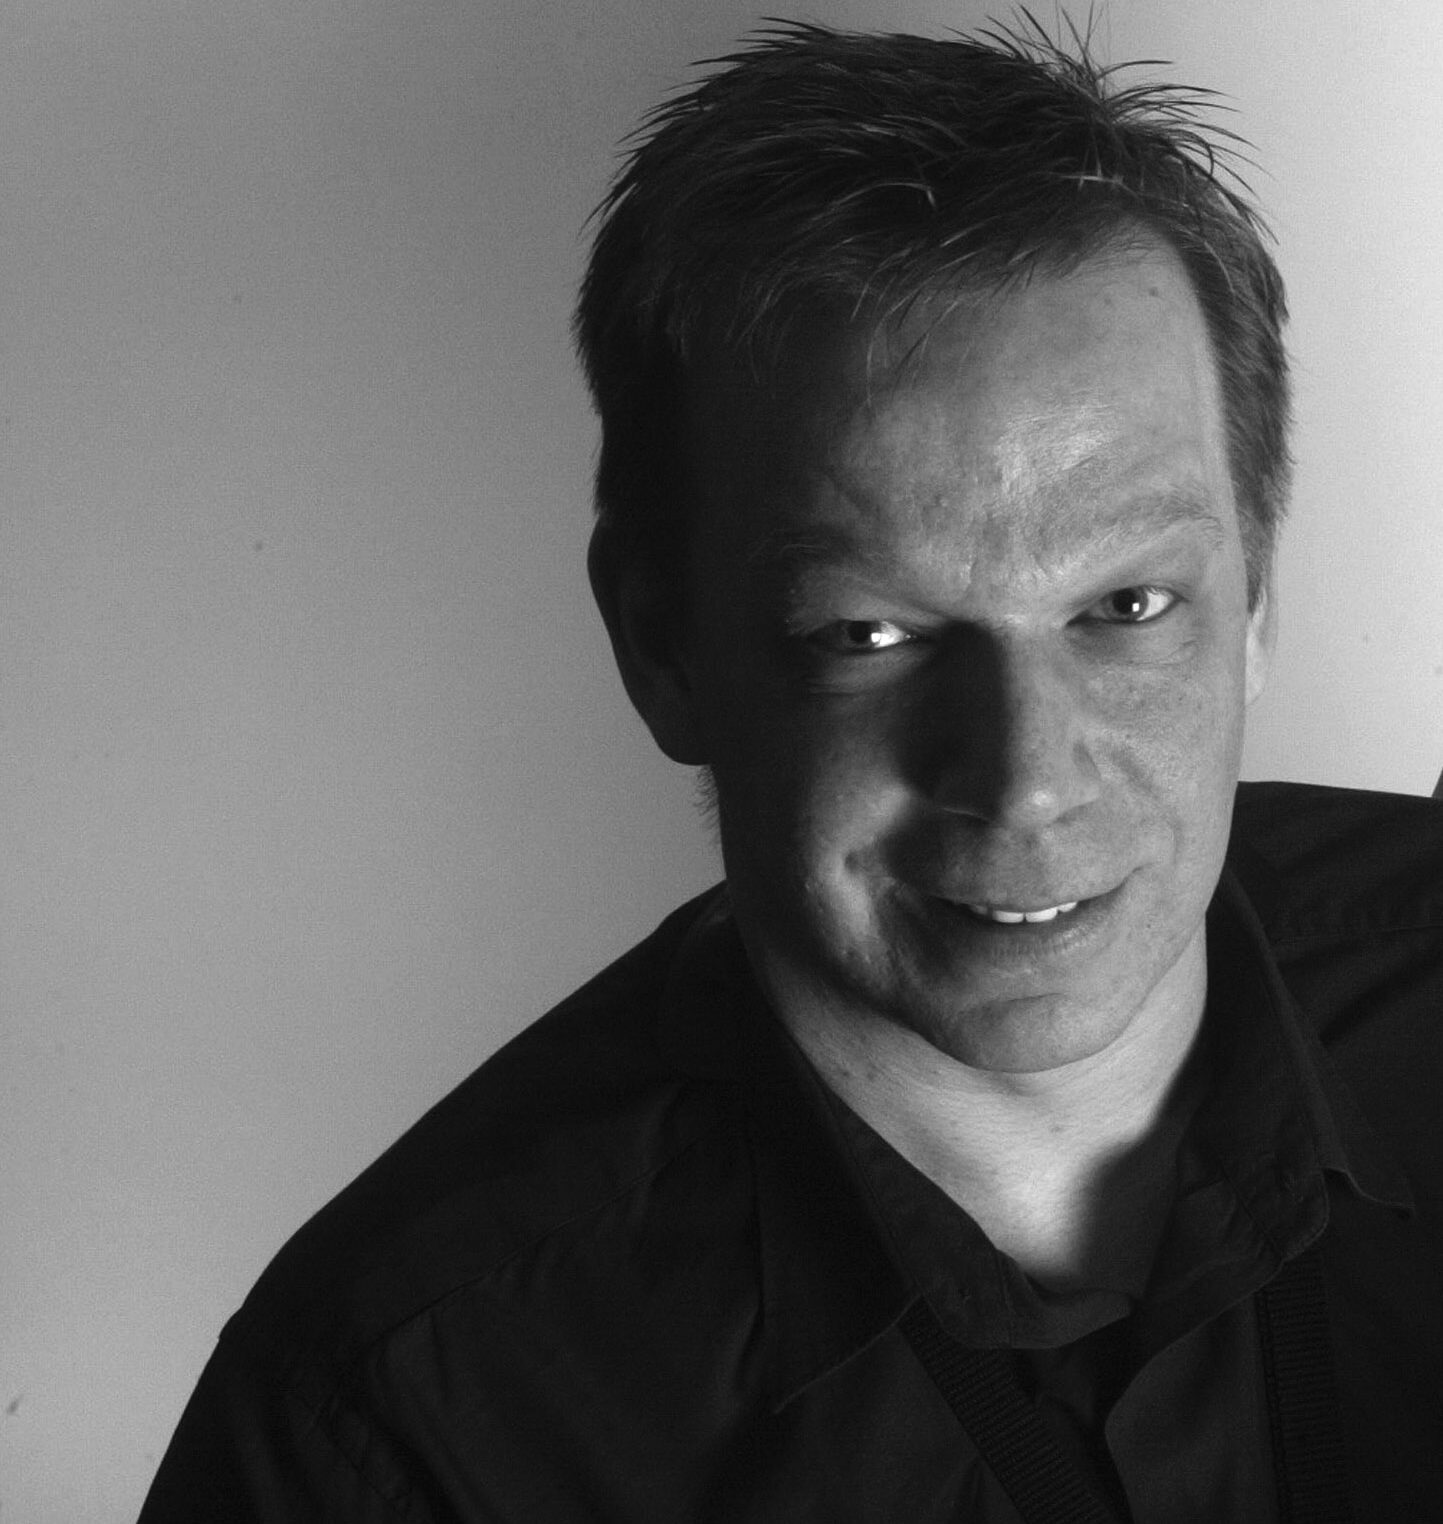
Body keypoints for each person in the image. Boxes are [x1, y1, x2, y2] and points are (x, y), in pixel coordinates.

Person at [139, 20, 1443, 1522]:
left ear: (1259, 598)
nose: (1026, 783)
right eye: (869, 633)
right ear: (661, 645)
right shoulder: (386, 1427)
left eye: (1127, 606)